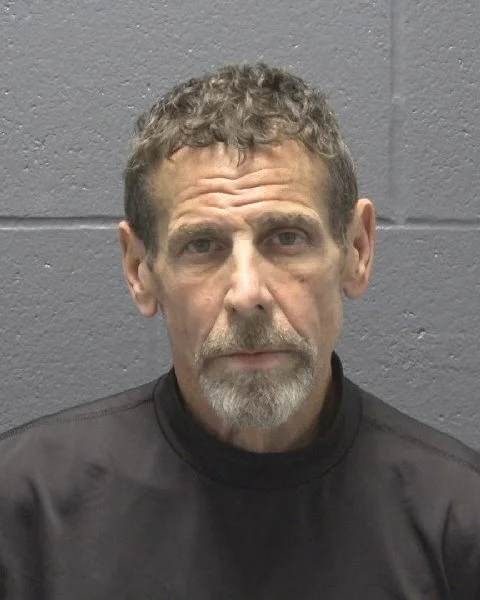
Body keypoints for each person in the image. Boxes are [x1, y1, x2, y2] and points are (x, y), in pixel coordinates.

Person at [0, 63, 479, 599]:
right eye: (202, 246)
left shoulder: (459, 521)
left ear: (357, 250)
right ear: (139, 270)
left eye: (287, 238)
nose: (247, 295)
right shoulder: (25, 512)